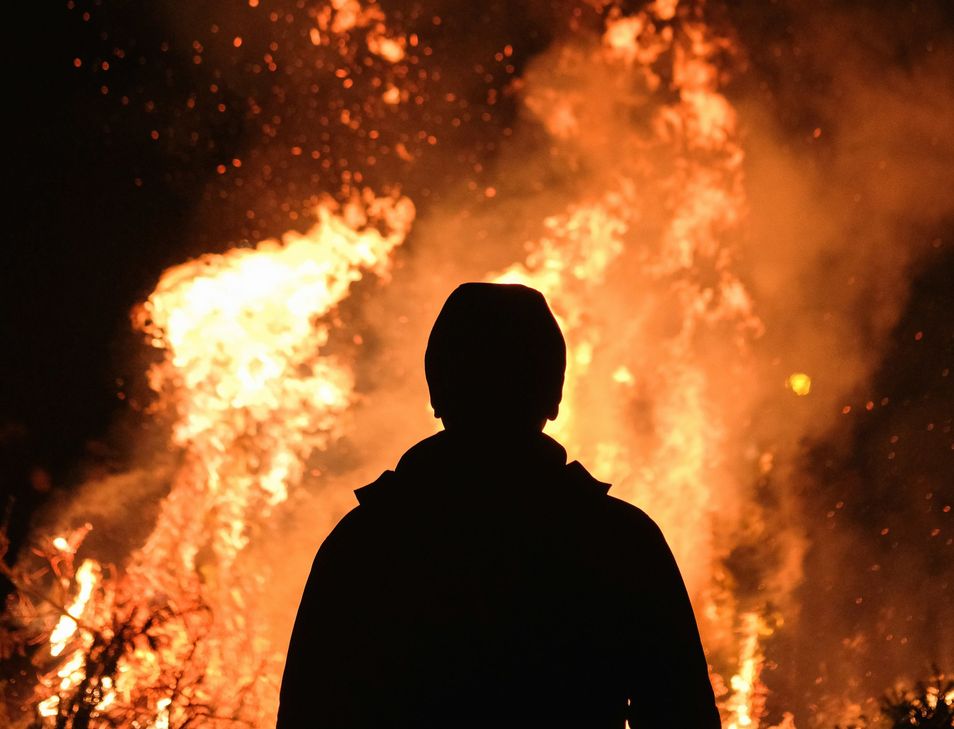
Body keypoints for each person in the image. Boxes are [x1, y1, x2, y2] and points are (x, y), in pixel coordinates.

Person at [277, 283, 721, 728]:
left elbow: (307, 713)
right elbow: (682, 715)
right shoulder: (621, 542)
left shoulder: (367, 543)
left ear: (437, 389)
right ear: (554, 394)